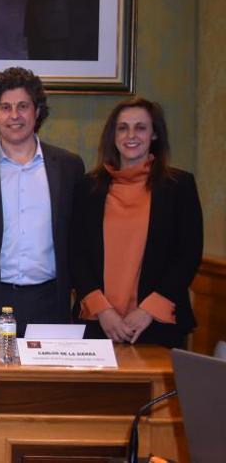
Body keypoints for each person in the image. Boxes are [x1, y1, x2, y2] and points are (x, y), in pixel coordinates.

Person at [0, 68, 84, 339]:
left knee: (45, 383)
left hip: (50, 303)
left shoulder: (69, 167)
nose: (15, 116)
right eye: (5, 107)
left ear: (37, 112)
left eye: (23, 106)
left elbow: (78, 238)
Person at [72, 98, 203, 348]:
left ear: (154, 133)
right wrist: (102, 311)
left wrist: (147, 311)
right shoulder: (88, 187)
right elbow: (76, 254)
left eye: (140, 127)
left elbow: (188, 255)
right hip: (98, 324)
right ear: (113, 135)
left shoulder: (179, 186)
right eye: (122, 128)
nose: (131, 135)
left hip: (158, 325)